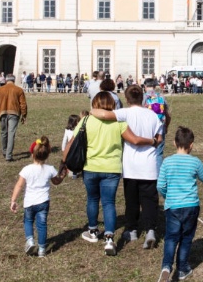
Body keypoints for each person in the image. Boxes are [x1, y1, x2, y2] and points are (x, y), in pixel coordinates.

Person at [66, 92, 155, 256]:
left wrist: (64, 165)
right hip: (112, 169)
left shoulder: (86, 120)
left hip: (90, 166)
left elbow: (72, 142)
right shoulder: (118, 122)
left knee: (92, 199)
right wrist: (153, 141)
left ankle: (92, 230)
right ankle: (109, 238)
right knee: (109, 203)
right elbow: (134, 139)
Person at [91, 84, 163, 249]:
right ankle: (151, 230)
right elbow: (159, 137)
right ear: (142, 97)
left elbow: (102, 113)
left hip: (130, 165)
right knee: (150, 200)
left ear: (127, 98)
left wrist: (92, 110)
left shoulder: (124, 113)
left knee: (131, 200)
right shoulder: (152, 115)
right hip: (149, 165)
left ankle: (132, 230)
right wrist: (153, 141)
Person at [156, 127, 203, 282]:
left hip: (172, 207)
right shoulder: (195, 162)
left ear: (174, 143)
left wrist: (167, 196)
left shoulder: (167, 162)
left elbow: (160, 185)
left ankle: (166, 268)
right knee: (186, 238)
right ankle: (182, 268)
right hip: (191, 206)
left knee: (171, 238)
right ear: (191, 145)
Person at [9, 136, 64, 257]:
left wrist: (13, 200)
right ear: (47, 155)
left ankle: (30, 240)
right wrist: (62, 174)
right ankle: (42, 249)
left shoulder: (26, 169)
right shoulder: (50, 169)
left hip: (29, 203)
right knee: (42, 225)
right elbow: (56, 181)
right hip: (43, 203)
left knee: (28, 221)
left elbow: (19, 186)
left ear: (32, 154)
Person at [0, 73, 28, 162]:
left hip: (2, 112)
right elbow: (23, 104)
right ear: (14, 80)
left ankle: (4, 151)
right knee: (11, 134)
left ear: (6, 80)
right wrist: (24, 115)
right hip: (14, 113)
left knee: (4, 133)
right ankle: (8, 155)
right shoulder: (19, 90)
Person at [143, 78, 171, 175]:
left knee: (145, 151)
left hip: (146, 127)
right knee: (158, 153)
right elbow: (168, 114)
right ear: (154, 87)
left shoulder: (143, 97)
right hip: (160, 126)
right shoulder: (161, 97)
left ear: (145, 87)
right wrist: (166, 126)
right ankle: (158, 177)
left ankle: (146, 174)